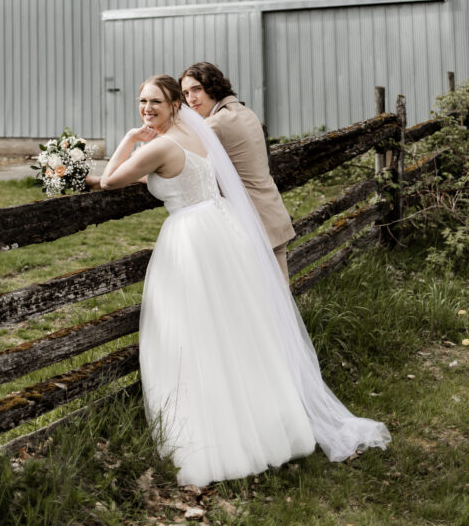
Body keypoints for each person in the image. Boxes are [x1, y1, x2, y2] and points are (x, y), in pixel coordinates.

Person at [100, 74, 390, 487]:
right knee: (235, 331)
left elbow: (112, 179)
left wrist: (130, 138)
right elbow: (163, 178)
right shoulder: (194, 136)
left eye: (155, 103)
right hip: (221, 231)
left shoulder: (159, 144)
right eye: (141, 102)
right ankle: (268, 428)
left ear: (174, 106)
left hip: (191, 240)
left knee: (192, 334)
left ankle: (214, 439)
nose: (147, 109)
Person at [180, 62, 295, 281]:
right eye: (186, 93)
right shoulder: (244, 111)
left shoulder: (217, 123)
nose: (191, 98)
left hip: (252, 225)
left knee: (260, 306)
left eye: (197, 89)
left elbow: (178, 160)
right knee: (278, 303)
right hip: (273, 215)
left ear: (212, 85)